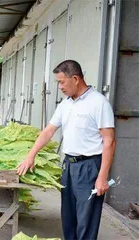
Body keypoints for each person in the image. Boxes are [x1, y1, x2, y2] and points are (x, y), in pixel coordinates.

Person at [16, 60, 116, 240]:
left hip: (89, 167)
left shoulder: (98, 103)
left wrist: (102, 177)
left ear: (76, 79)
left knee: (86, 220)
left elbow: (109, 141)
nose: (60, 87)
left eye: (62, 82)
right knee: (68, 218)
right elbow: (48, 131)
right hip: (68, 166)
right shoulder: (65, 104)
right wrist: (31, 155)